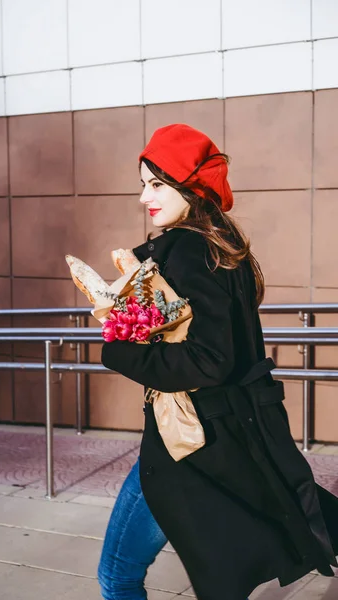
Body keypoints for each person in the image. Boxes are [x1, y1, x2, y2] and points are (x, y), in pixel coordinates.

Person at [97, 124, 338, 600]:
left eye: (157, 184)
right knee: (292, 513)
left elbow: (208, 359)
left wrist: (119, 349)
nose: (145, 196)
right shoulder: (223, 247)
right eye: (143, 184)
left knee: (117, 575)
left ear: (191, 186)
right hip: (230, 432)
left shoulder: (186, 249)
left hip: (182, 443)